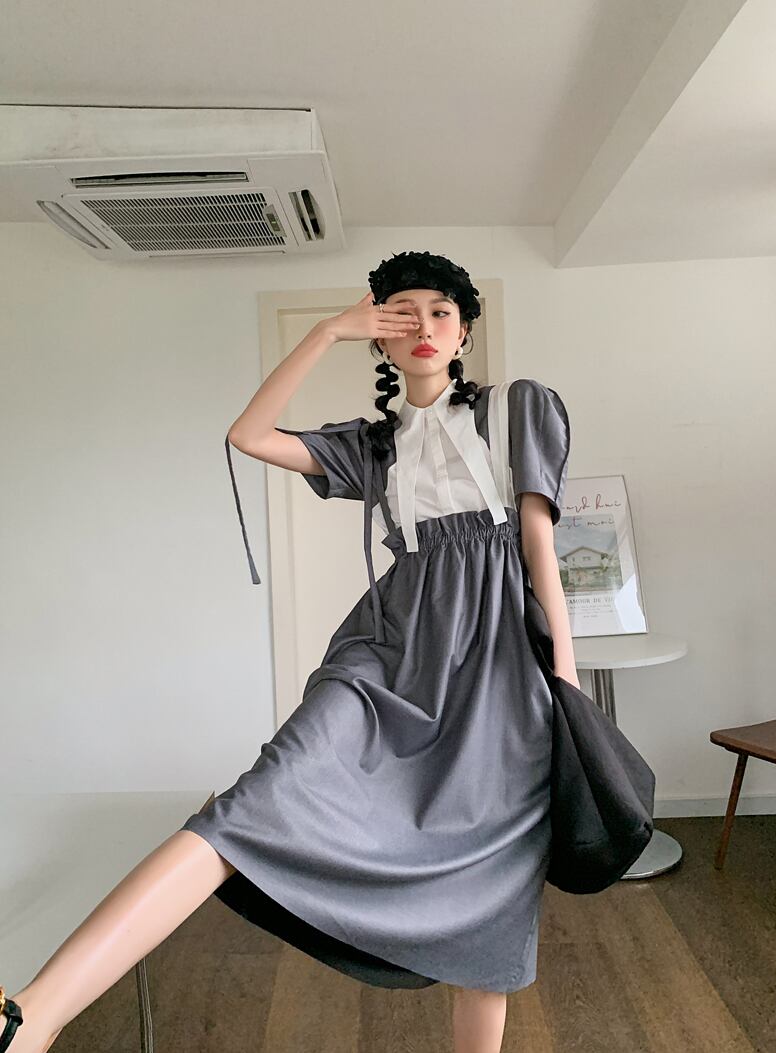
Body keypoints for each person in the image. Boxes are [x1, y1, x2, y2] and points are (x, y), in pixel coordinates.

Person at [1, 250, 578, 1053]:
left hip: (499, 668)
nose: (421, 326)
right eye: (400, 314)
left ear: (464, 331)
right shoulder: (370, 447)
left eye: (440, 312)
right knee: (250, 806)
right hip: (388, 658)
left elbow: (539, 547)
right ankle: (31, 1015)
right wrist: (328, 330)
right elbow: (248, 434)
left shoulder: (517, 408)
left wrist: (564, 684)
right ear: (379, 336)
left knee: (490, 892)